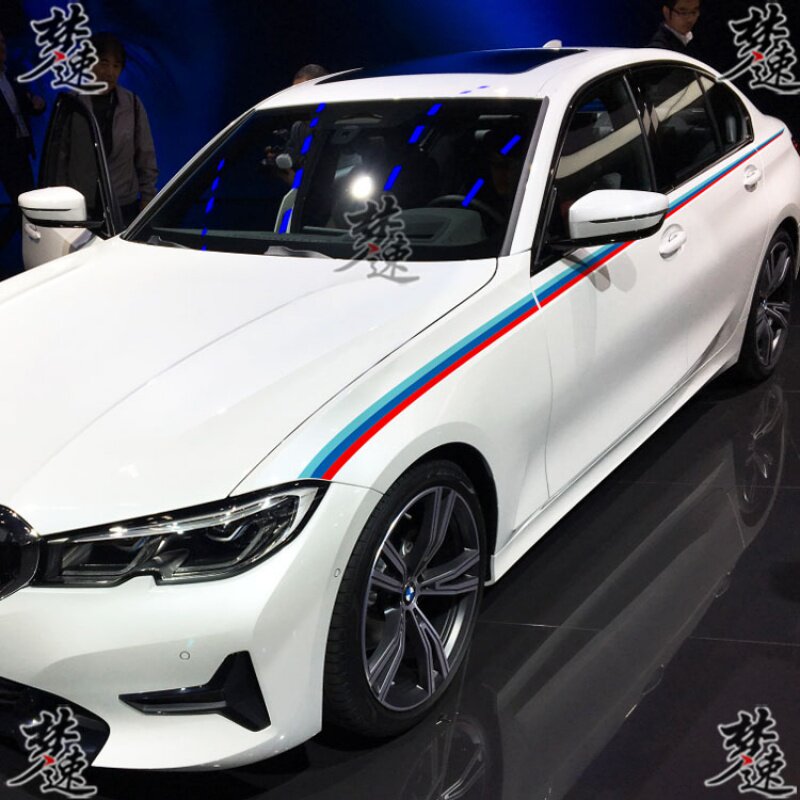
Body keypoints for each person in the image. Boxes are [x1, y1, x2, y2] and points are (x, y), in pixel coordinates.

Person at [77, 33, 158, 227]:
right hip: (82, 203)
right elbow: (63, 158)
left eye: (116, 66)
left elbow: (145, 154)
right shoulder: (74, 103)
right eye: (104, 63)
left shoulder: (132, 104)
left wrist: (147, 197)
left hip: (123, 202)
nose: (110, 72)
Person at [0, 27, 45, 255]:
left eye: (2, 42)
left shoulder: (11, 75)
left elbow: (26, 105)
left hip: (20, 147)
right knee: (22, 203)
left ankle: (29, 247)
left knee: (25, 200)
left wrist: (39, 105)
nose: (2, 48)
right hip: (4, 151)